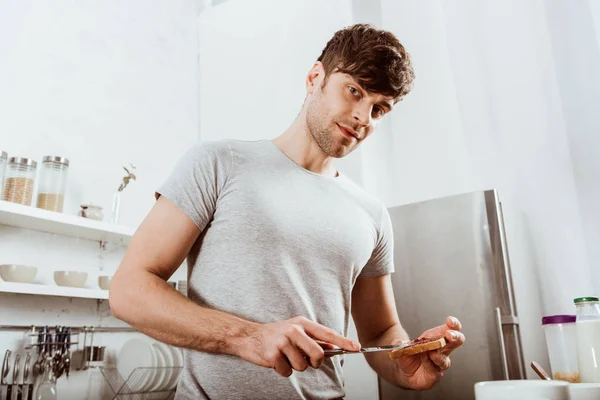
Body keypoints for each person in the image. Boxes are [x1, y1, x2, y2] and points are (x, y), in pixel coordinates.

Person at [109, 23, 465, 399]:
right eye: (354, 91)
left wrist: (406, 364)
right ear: (315, 78)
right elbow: (129, 290)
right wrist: (249, 337)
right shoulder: (218, 164)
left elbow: (379, 333)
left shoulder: (372, 215)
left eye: (378, 109)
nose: (363, 117)